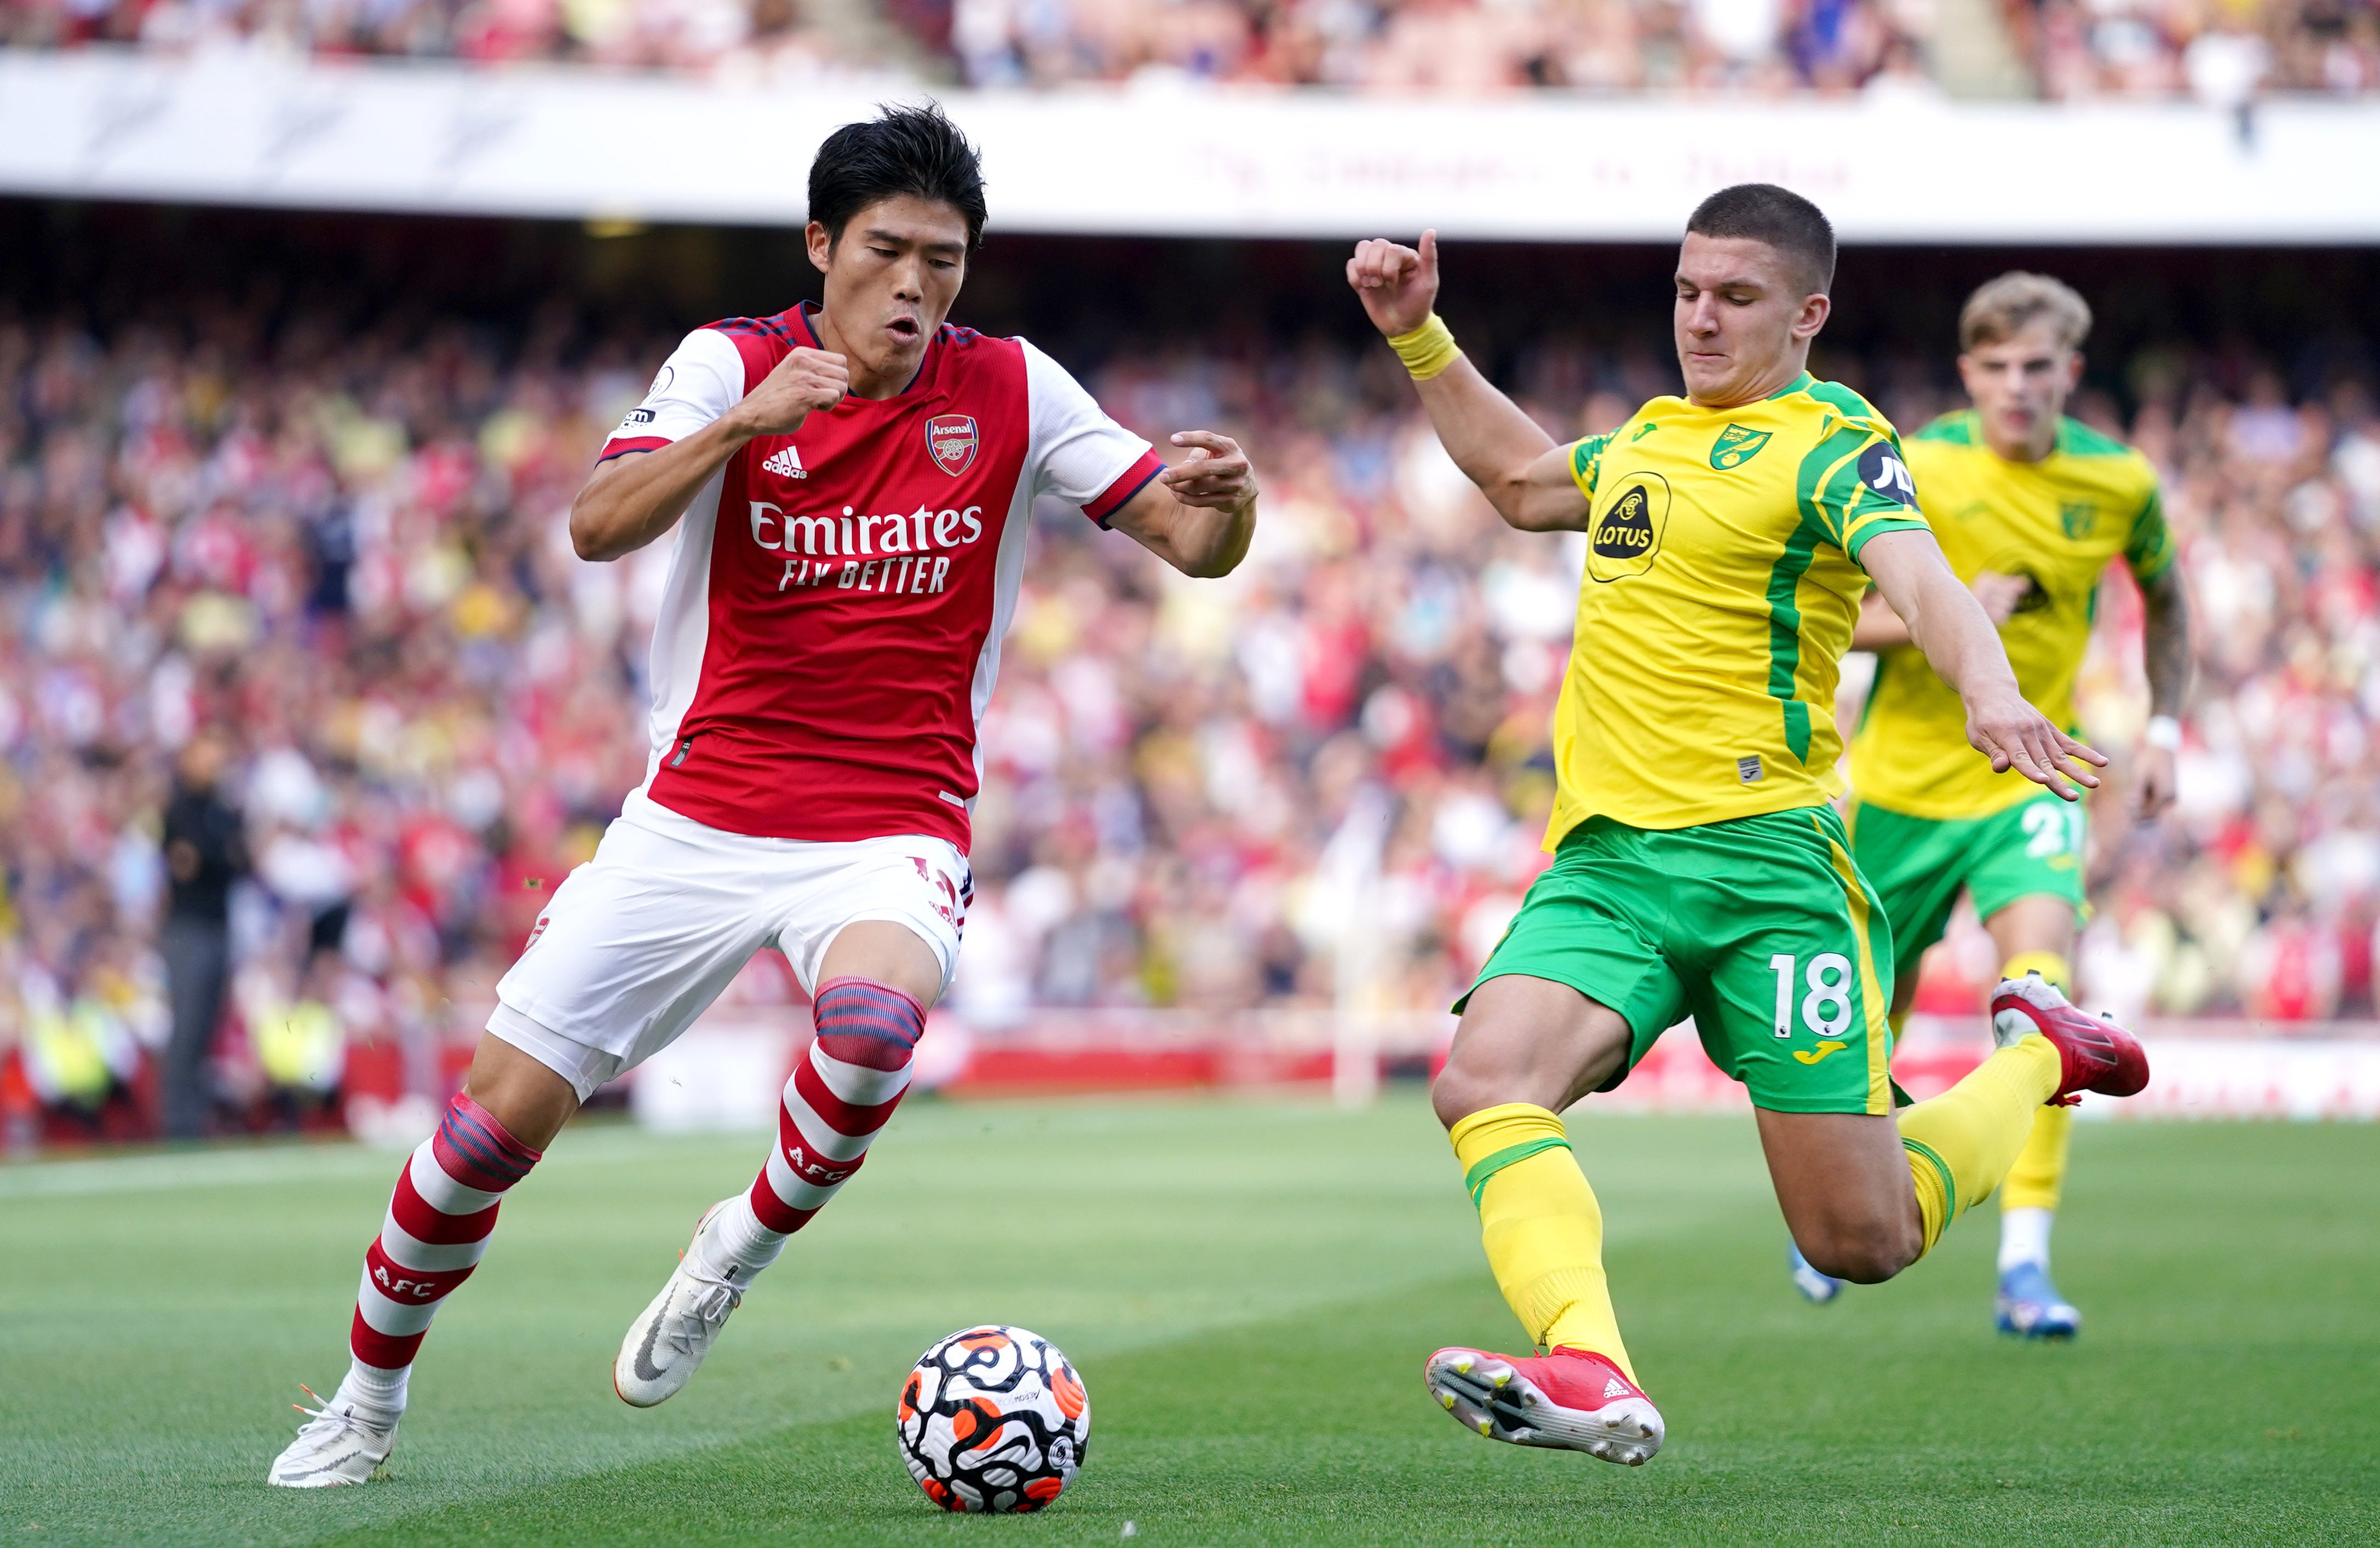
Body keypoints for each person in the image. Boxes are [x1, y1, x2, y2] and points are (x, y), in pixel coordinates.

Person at [268, 104, 1261, 1488]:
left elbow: (1191, 540)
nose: (917, 286)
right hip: (700, 812)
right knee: (487, 1129)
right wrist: (744, 422)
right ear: (821, 245)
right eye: (889, 251)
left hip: (891, 819)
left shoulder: (1016, 388)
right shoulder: (726, 362)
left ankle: (737, 1241)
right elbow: (595, 524)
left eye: (946, 260)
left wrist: (1237, 499)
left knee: (870, 1030)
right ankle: (365, 1403)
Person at [1343, 186, 2148, 1468]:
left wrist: (1990, 693)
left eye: (1732, 296)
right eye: (1683, 291)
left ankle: (2037, 1057)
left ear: (1805, 313)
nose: (1699, 319)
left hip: (1767, 868)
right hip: (1608, 865)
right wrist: (1417, 337)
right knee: (1482, 1078)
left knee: (1860, 1238)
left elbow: (1924, 582)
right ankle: (1592, 1366)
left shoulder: (1832, 441)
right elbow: (1510, 477)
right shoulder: (1641, 443)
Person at [1783, 272, 2189, 1336]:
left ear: (2071, 372)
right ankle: (1841, 1191)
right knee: (1870, 1014)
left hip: (2029, 777)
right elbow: (1834, 613)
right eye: (1997, 367)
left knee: (2043, 992)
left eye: (2037, 367)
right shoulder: (1910, 463)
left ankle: (2024, 1262)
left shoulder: (2119, 482)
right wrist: (1948, 614)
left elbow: (2169, 604)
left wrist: (2161, 730)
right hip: (1900, 787)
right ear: (1969, 375)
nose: (2018, 387)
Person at [158, 730, 248, 1140]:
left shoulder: (221, 810)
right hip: (189, 928)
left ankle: (197, 1119)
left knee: (209, 1025)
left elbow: (238, 860)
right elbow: (192, 861)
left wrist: (215, 855)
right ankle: (178, 1123)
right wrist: (219, 854)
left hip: (218, 926)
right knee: (188, 1024)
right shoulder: (181, 809)